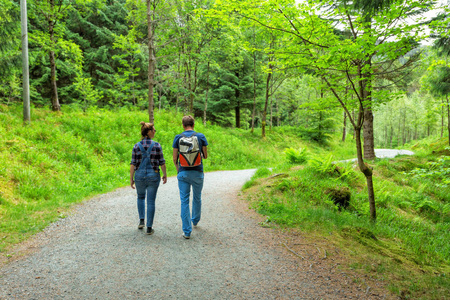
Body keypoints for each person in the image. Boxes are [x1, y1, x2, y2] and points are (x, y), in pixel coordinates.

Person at [172, 115, 208, 239]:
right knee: (197, 198)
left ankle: (187, 232)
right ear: (193, 124)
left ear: (183, 125)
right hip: (198, 172)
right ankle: (195, 220)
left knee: (184, 201)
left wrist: (179, 171)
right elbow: (206, 155)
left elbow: (174, 158)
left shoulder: (178, 137)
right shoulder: (200, 136)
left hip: (183, 173)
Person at [130, 122, 167, 235]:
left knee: (140, 197)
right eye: (154, 130)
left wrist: (131, 178)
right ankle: (149, 228)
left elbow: (133, 164)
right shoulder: (157, 145)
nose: (155, 132)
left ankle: (142, 221)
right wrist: (165, 174)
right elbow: (162, 162)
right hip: (153, 176)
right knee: (151, 201)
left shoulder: (136, 146)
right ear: (149, 132)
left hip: (140, 175)